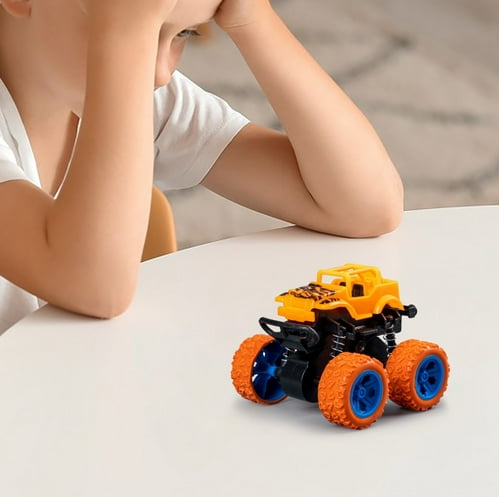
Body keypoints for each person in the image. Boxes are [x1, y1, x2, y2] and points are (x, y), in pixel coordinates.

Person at [0, 0, 404, 335]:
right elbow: (95, 287)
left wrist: (252, 17)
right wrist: (125, 35)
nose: (161, 73)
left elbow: (366, 206)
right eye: (122, 20)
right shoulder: (124, 81)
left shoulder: (146, 102)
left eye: (184, 34)